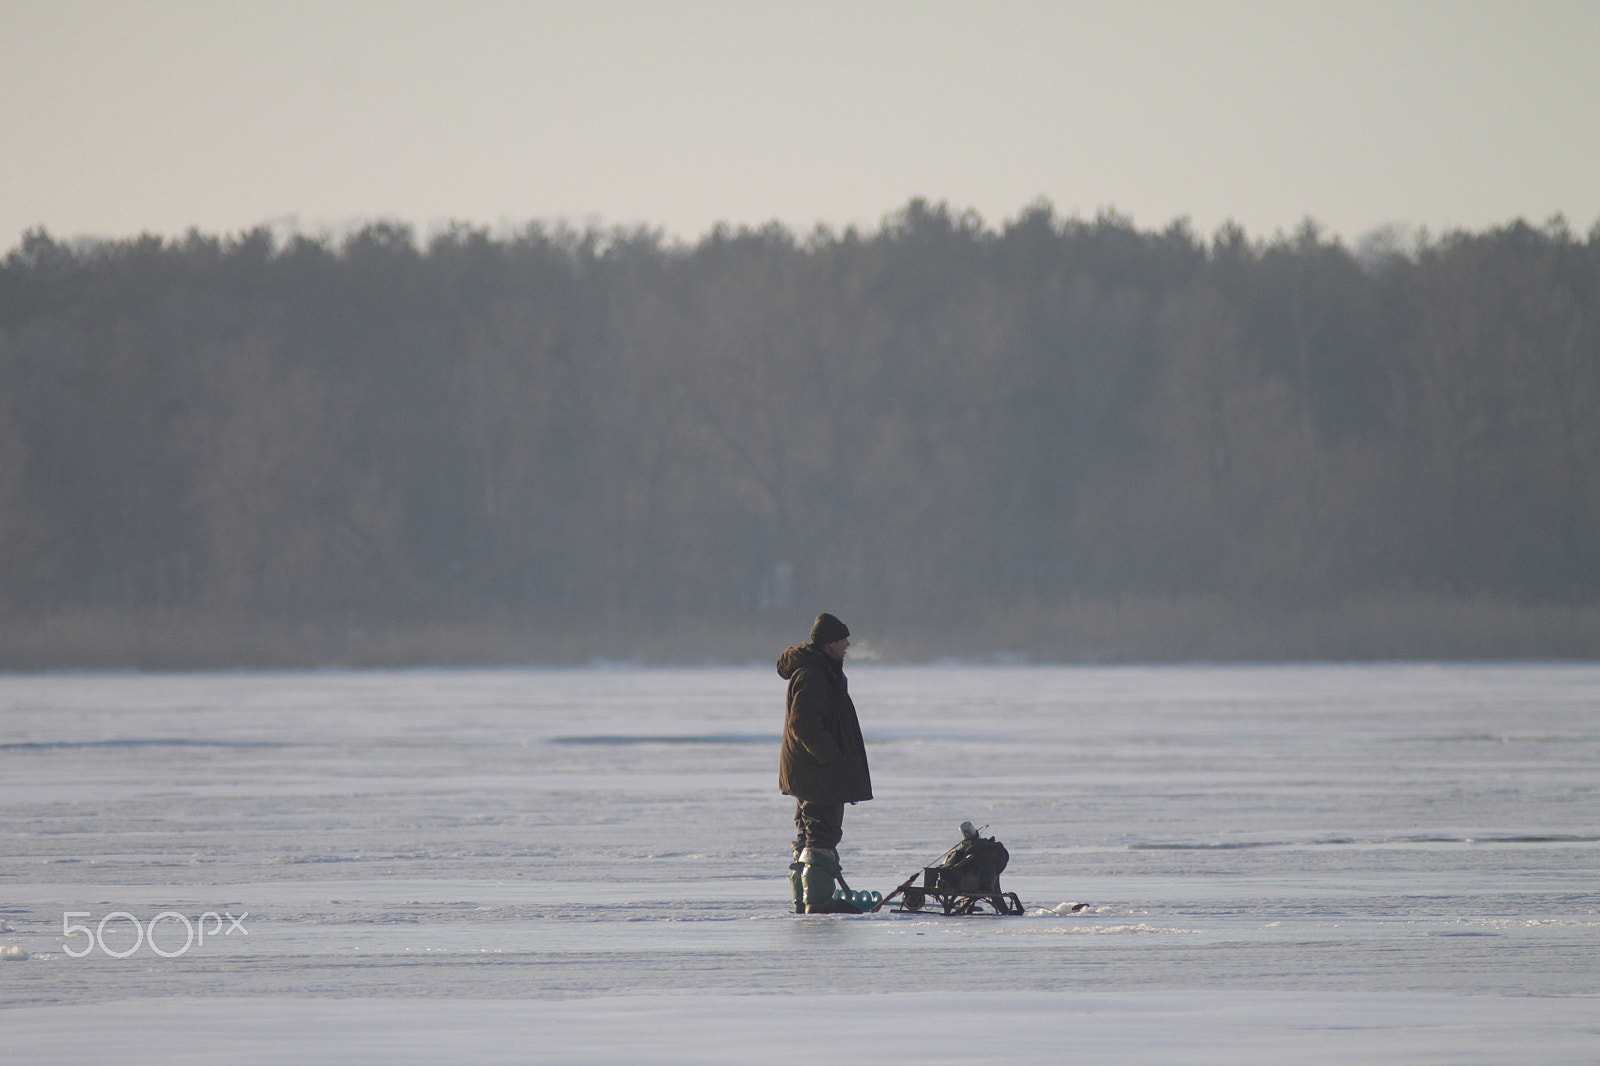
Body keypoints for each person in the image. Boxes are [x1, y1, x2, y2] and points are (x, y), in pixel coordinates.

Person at [777, 612, 872, 913]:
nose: (847, 644)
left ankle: (805, 899)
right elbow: (803, 724)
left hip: (810, 772)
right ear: (829, 643)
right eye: (842, 639)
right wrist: (830, 758)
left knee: (809, 833)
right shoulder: (814, 674)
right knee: (821, 833)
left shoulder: (820, 669)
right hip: (817, 774)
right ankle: (817, 902)